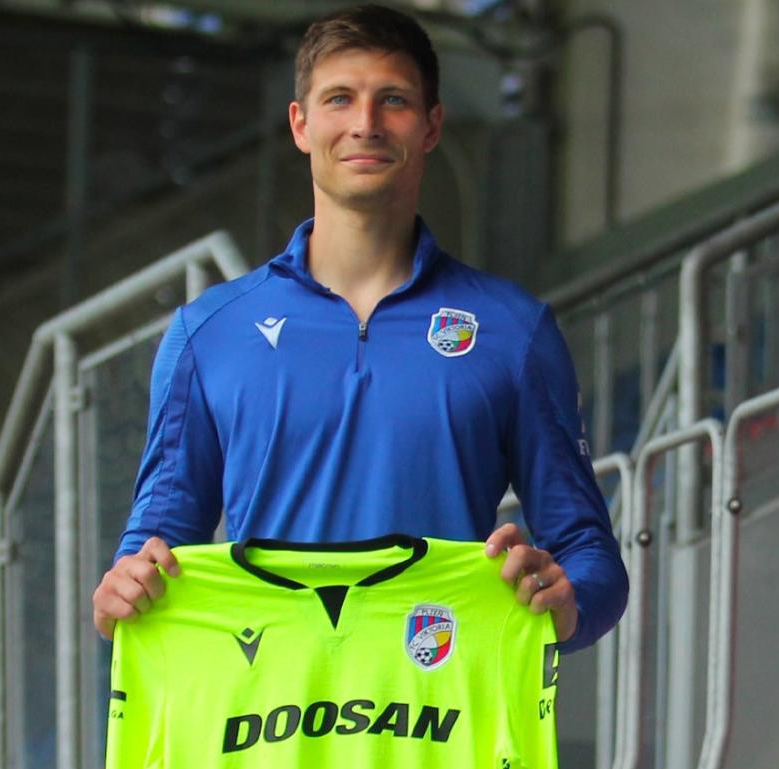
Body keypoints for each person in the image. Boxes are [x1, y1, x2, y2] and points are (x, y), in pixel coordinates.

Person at [92, 3, 627, 655]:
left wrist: (566, 602)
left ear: (432, 125)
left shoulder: (514, 331)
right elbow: (154, 546)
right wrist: (124, 588)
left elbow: (590, 555)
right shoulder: (209, 334)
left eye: (392, 100)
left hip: (439, 700)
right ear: (301, 123)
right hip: (270, 707)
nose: (365, 124)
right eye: (339, 98)